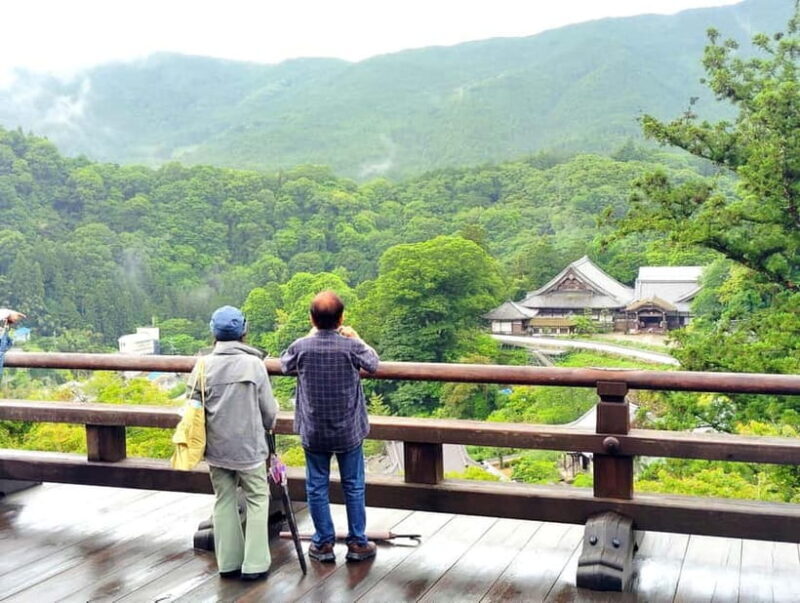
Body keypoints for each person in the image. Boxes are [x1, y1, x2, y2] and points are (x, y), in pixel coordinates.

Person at [280, 290, 380, 563]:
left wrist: (311, 335)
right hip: (348, 429)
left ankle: (323, 543)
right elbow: (373, 364)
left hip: (314, 430)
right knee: (354, 485)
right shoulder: (351, 346)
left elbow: (284, 365)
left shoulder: (301, 346)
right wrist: (356, 337)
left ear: (312, 319)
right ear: (342, 318)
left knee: (316, 486)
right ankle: (358, 543)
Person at [190, 305, 278, 581]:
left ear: (213, 333)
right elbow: (270, 412)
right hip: (250, 449)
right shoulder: (254, 364)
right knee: (257, 499)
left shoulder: (203, 366)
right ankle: (255, 564)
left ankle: (228, 563)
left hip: (216, 449)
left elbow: (192, 406)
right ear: (243, 332)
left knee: (224, 500)